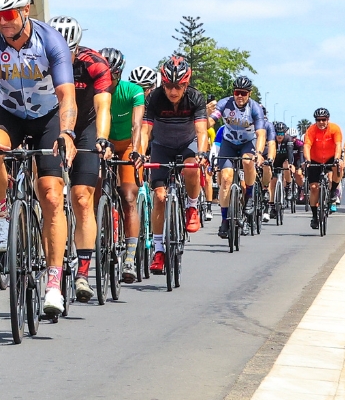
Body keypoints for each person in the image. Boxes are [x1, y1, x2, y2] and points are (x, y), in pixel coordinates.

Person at [0, 0, 77, 316]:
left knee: (49, 194)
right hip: (10, 113)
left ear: (25, 10)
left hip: (47, 116)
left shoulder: (51, 40)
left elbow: (66, 95)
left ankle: (54, 280)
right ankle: (2, 209)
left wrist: (67, 133)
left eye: (7, 13)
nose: (1, 21)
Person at [49, 16, 113, 303]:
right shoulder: (39, 56)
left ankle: (83, 273)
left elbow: (103, 106)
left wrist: (101, 138)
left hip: (85, 126)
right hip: (51, 122)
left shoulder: (94, 63)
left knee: (82, 198)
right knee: (49, 197)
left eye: (69, 49)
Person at [140, 56, 207, 275]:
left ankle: (192, 205)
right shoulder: (155, 98)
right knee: (159, 197)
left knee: (191, 168)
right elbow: (145, 130)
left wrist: (203, 153)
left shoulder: (196, 98)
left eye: (178, 86)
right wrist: (140, 153)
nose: (173, 91)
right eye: (168, 85)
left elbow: (201, 131)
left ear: (186, 84)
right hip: (162, 146)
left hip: (187, 145)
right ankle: (159, 250)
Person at [102, 49, 146, 280]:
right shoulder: (95, 89)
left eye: (113, 75)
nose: (108, 79)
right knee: (90, 192)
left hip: (128, 144)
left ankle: (129, 256)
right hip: (104, 143)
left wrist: (137, 150)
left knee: (129, 196)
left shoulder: (133, 90)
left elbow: (137, 124)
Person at [210, 77, 266, 241]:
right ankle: (225, 220)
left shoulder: (255, 108)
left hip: (247, 143)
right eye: (236, 93)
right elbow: (211, 120)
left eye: (243, 93)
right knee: (226, 179)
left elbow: (261, 133)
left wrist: (260, 152)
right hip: (228, 143)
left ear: (249, 94)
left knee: (248, 162)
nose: (239, 96)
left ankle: (248, 195)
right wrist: (204, 120)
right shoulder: (225, 103)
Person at [304, 108, 344, 228]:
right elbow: (307, 146)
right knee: (314, 188)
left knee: (339, 166)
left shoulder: (335, 129)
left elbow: (338, 145)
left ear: (328, 119)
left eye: (324, 120)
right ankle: (315, 216)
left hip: (331, 157)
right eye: (318, 120)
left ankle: (333, 192)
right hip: (315, 159)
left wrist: (337, 158)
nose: (321, 122)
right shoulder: (311, 130)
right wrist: (307, 160)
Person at [271, 121, 304, 211]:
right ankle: (271, 204)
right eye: (277, 133)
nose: (279, 135)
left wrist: (290, 164)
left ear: (285, 133)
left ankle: (289, 186)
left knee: (286, 165)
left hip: (286, 159)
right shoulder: (272, 139)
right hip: (275, 159)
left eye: (281, 133)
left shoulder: (289, 139)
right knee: (272, 181)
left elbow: (290, 153)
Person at [259, 108, 277, 223]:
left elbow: (272, 144)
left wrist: (270, 159)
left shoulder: (268, 125)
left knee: (267, 167)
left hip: (265, 151)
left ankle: (265, 189)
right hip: (251, 151)